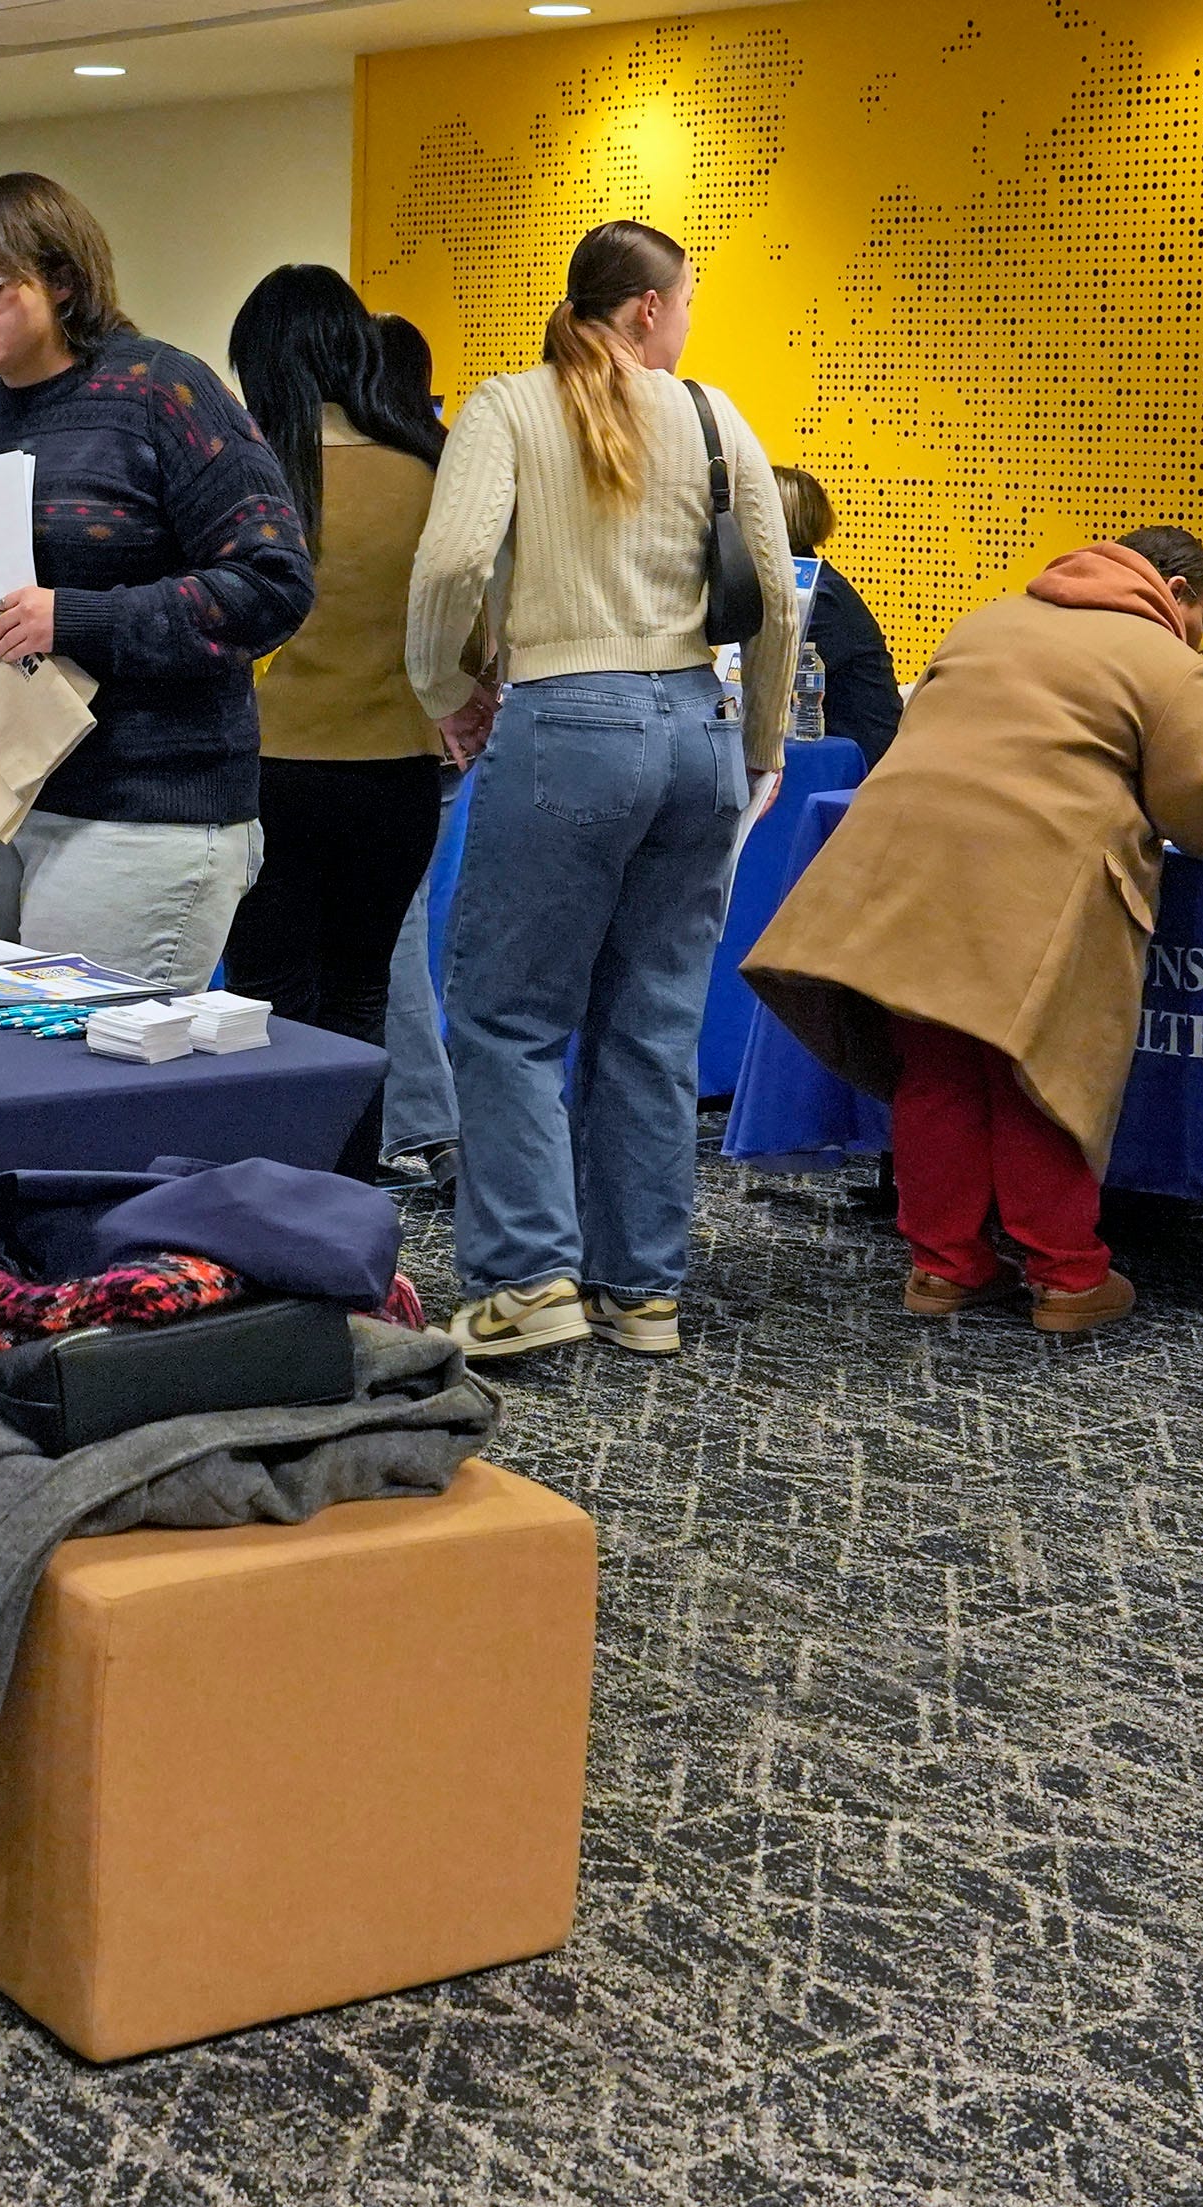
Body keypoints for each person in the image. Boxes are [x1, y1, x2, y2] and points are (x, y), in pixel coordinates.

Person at [401, 220, 794, 1360]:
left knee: (508, 1014)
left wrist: (444, 684)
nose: (683, 327)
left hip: (565, 722)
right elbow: (769, 592)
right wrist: (760, 739)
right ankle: (641, 1292)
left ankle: (528, 1280)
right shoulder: (718, 417)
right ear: (642, 313)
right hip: (694, 732)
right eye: (681, 305)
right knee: (651, 1025)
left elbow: (447, 563)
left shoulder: (504, 407)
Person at [740, 531, 1203, 1336]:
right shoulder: (1169, 665)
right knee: (1035, 1067)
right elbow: (1199, 811)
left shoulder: (983, 622)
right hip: (1036, 882)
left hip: (907, 865)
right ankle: (1066, 1277)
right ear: (1175, 588)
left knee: (937, 1062)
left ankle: (943, 1266)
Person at [0, 173, 313, 987]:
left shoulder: (164, 391)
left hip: (148, 811)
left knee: (89, 1081)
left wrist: (73, 619)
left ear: (63, 282)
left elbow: (273, 584)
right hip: (2, 798)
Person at [218, 262, 447, 1059]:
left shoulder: (251, 480)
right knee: (360, 997)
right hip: (398, 779)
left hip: (268, 773)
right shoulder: (429, 472)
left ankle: (275, 1180)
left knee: (266, 1006)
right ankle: (351, 1182)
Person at [769, 467, 907, 764]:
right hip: (829, 748)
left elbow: (769, 676)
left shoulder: (820, 596)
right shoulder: (806, 583)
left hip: (857, 761)